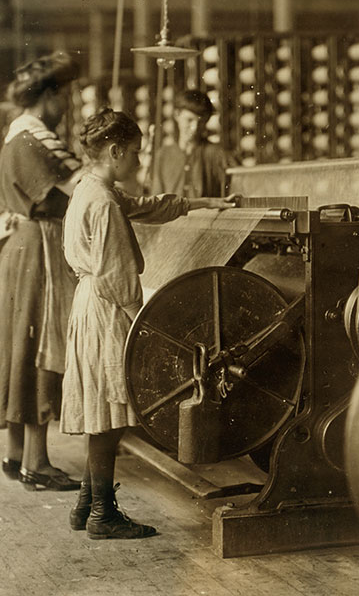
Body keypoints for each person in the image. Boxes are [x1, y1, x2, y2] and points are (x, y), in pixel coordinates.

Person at [61, 109, 236, 539]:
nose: (140, 162)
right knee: (110, 414)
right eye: (135, 153)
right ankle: (103, 514)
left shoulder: (89, 189)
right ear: (115, 151)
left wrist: (201, 204)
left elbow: (144, 207)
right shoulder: (102, 203)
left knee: (103, 410)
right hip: (106, 309)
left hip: (90, 305)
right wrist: (153, 327)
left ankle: (88, 503)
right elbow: (120, 280)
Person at [0, 52, 83, 491]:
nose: (68, 105)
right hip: (39, 249)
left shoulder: (16, 137)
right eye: (65, 96)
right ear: (49, 95)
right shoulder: (34, 140)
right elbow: (82, 188)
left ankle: (16, 453)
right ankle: (38, 465)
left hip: (20, 248)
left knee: (17, 344)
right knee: (44, 344)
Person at [151, 89, 237, 198]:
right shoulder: (163, 155)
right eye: (189, 120)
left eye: (201, 122)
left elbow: (239, 185)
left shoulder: (218, 154)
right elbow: (156, 201)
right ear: (177, 115)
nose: (195, 128)